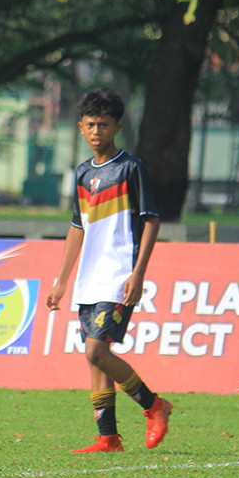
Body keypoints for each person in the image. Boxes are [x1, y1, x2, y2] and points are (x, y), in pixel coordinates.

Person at [45, 88, 172, 453]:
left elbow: (151, 220)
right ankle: (108, 436)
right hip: (89, 278)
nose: (97, 130)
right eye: (90, 124)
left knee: (97, 352)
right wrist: (61, 281)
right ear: (80, 128)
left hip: (118, 275)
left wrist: (138, 273)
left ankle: (154, 405)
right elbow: (77, 227)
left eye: (104, 124)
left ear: (117, 126)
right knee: (93, 359)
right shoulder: (83, 173)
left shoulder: (132, 168)